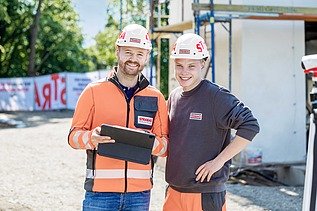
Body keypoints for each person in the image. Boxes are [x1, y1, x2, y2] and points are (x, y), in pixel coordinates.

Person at [68, 24, 168, 211]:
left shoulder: (156, 97)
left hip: (139, 195)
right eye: (128, 52)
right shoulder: (93, 91)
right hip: (100, 194)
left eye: (140, 54)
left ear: (147, 56)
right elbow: (73, 137)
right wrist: (91, 138)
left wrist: (147, 142)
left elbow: (165, 147)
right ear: (117, 51)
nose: (133, 59)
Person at [163, 33, 260, 211]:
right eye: (179, 65)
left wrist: (219, 161)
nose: (184, 72)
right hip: (174, 191)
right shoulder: (174, 96)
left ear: (203, 63)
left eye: (191, 66)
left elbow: (250, 125)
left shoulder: (216, 96)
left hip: (205, 195)